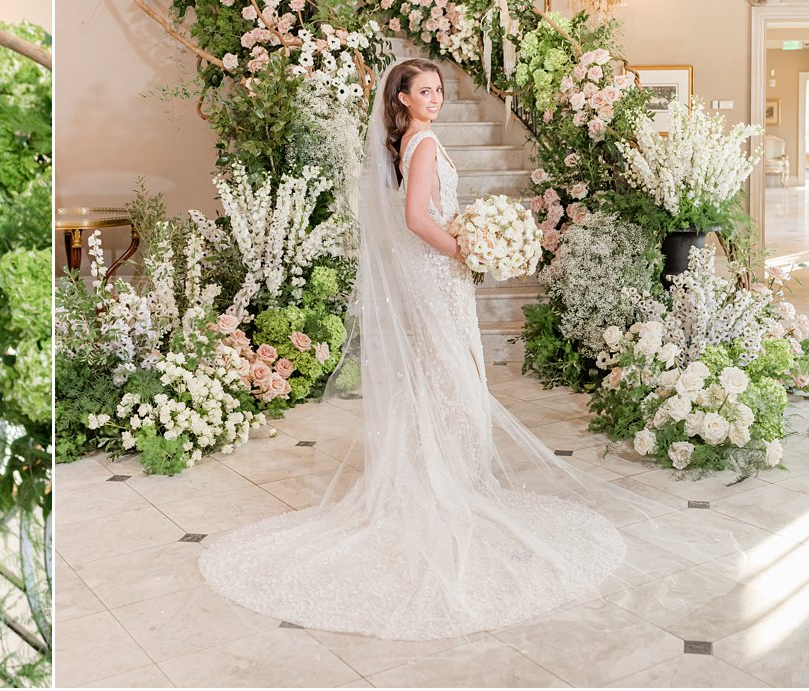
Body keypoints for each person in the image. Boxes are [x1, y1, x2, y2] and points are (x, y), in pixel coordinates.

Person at [200, 58, 634, 640]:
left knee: (442, 371)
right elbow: (414, 218)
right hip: (436, 270)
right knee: (453, 372)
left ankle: (442, 471)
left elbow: (426, 213)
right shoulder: (423, 144)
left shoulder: (408, 140)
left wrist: (468, 238)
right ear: (401, 98)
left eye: (439, 90)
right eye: (425, 91)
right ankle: (443, 478)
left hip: (437, 272)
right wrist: (465, 249)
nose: (436, 98)